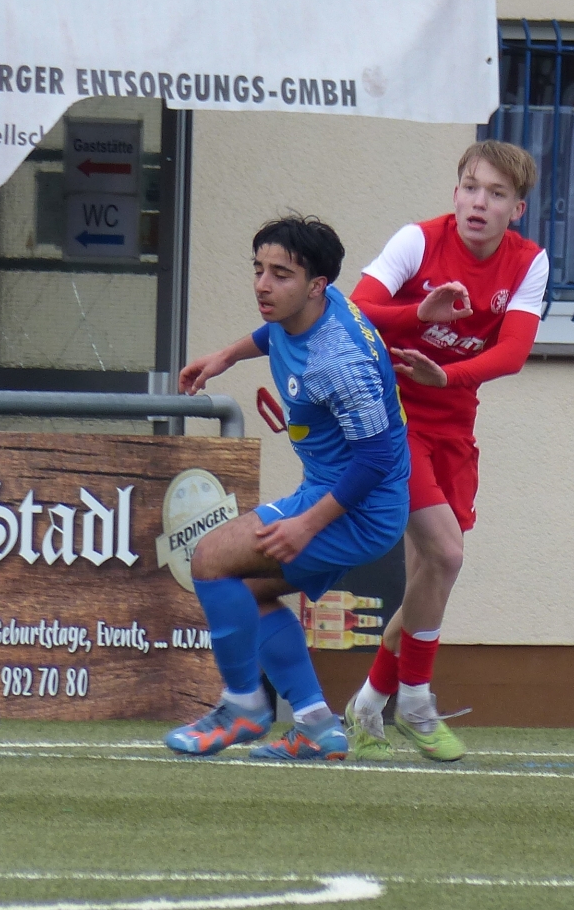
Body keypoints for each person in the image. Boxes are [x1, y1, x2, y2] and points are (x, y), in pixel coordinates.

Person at [172, 215, 412, 762]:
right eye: (258, 269)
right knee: (249, 591)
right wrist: (226, 356)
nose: (263, 285)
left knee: (210, 559)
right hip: (339, 495)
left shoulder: (339, 361)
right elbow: (273, 331)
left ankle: (243, 705)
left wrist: (306, 524)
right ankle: (316, 725)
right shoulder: (304, 309)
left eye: (280, 275)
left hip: (358, 508)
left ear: (316, 285)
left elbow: (376, 459)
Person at [340, 140, 549, 762]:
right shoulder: (418, 241)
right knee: (447, 554)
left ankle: (368, 704)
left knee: (430, 574)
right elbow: (353, 311)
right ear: (455, 193)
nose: (479, 203)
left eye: (496, 194)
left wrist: (448, 378)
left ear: (517, 209)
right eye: (470, 188)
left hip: (454, 425)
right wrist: (417, 315)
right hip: (391, 418)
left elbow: (512, 353)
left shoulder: (529, 262)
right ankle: (415, 702)